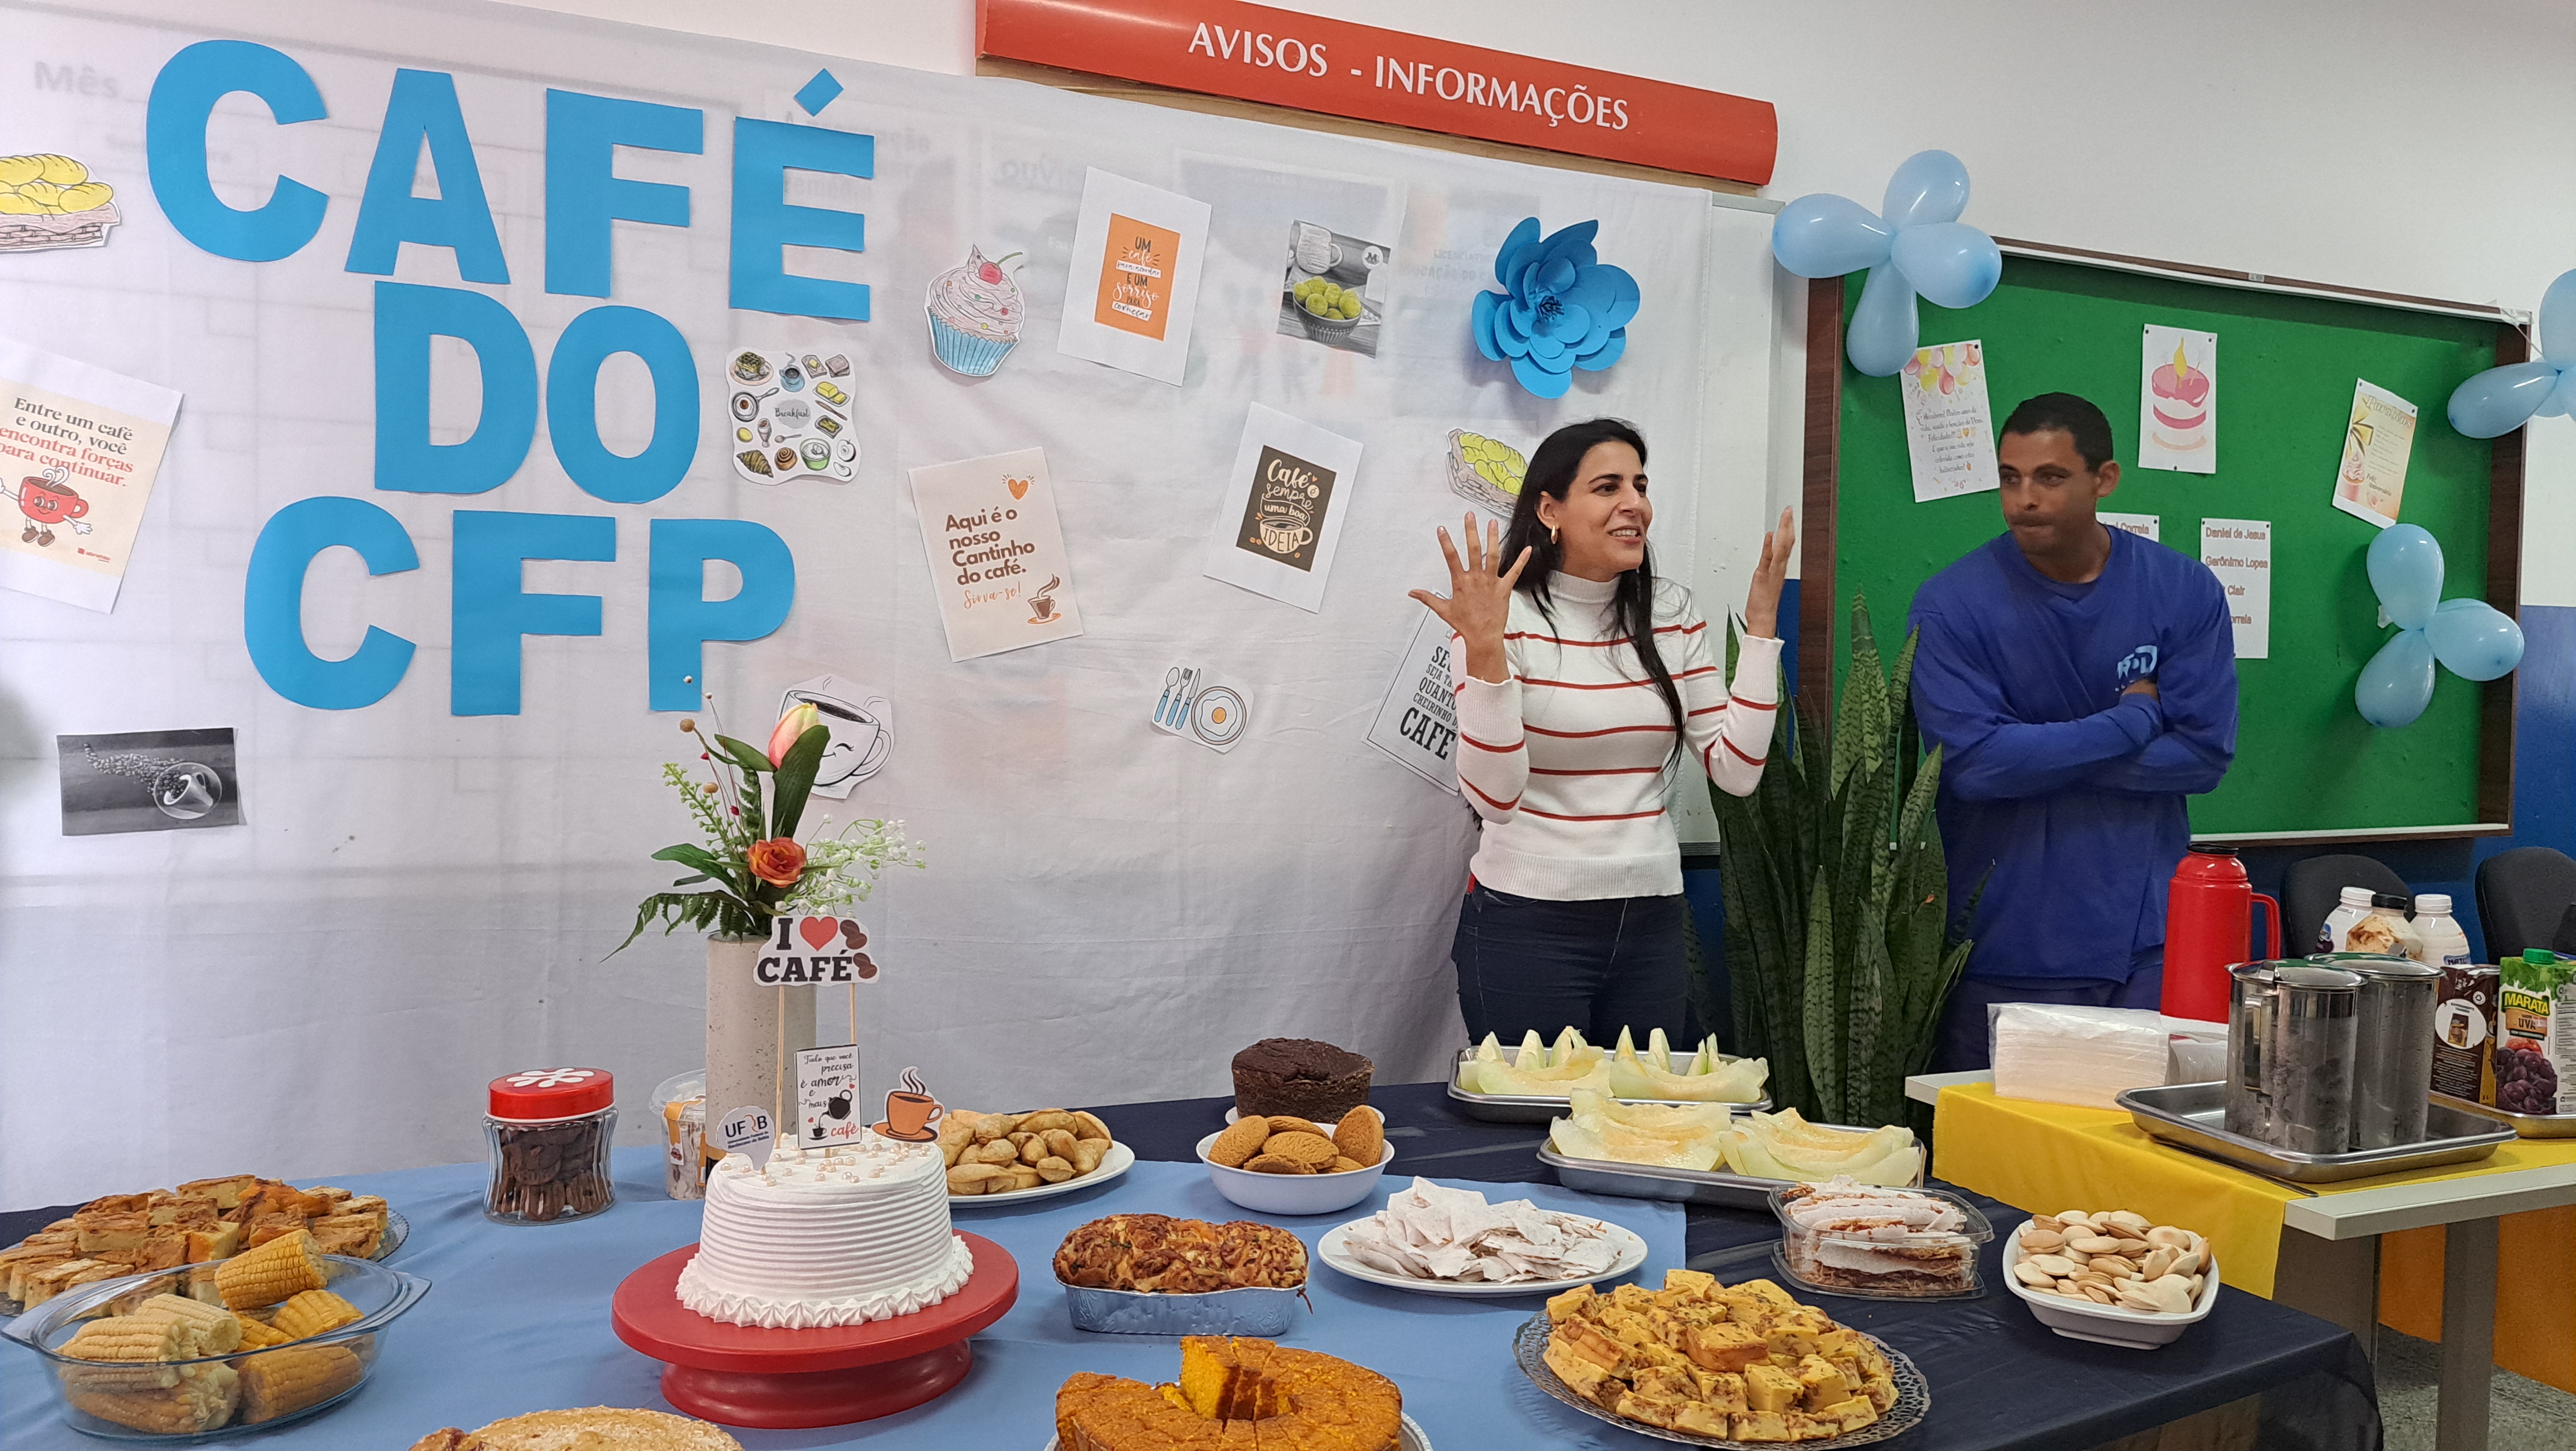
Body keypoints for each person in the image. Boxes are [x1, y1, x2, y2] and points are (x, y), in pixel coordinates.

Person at [1410, 417, 1794, 1045]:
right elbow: (1496, 798)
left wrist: (1760, 630)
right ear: (1549, 510)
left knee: (1642, 1108)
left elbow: (1738, 771)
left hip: (1653, 924)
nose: (1634, 503)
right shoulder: (1500, 618)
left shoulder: (1671, 613)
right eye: (1608, 487)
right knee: (1532, 1106)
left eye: (1640, 485)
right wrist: (1484, 652)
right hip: (1527, 926)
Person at [1909, 393, 2238, 1073]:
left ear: (2104, 479)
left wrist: (2035, 752)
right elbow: (1974, 768)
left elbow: (2203, 757)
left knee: (2144, 1137)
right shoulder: (1950, 605)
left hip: (2146, 949)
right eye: (2010, 478)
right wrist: (2133, 721)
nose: (2024, 499)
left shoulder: (2184, 590)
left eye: (2050, 477)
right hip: (2003, 948)